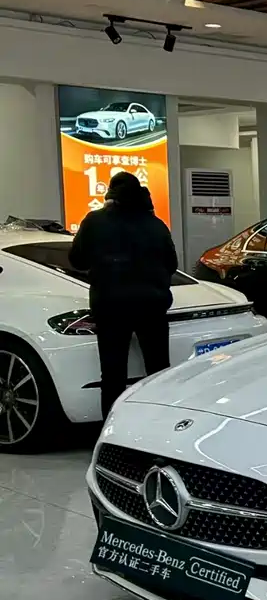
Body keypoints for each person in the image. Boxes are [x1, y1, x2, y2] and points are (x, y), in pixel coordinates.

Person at [69, 172, 178, 418]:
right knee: (158, 370)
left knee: (112, 374)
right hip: (152, 306)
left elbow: (77, 260)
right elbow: (172, 264)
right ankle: (160, 424)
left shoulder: (94, 221)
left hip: (111, 307)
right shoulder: (156, 225)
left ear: (111, 195)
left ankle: (112, 427)